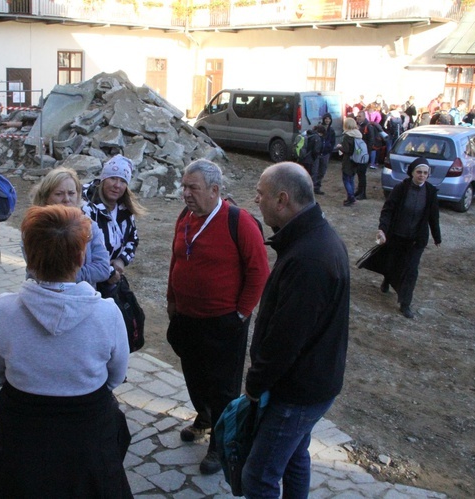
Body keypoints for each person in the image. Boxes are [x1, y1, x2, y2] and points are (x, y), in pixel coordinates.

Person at [0, 204, 131, 497]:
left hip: (21, 434)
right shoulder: (107, 314)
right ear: (81, 257)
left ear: (28, 256)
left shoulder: (4, 309)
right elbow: (115, 377)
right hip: (87, 437)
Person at [242, 162, 349, 499]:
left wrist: (255, 385)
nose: (255, 200)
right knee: (294, 457)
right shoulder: (313, 239)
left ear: (282, 200)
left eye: (260, 195)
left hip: (297, 391)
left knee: (258, 477)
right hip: (311, 383)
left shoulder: (310, 259)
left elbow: (285, 339)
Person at [166, 159, 269, 474]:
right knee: (195, 377)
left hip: (224, 323)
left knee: (223, 386)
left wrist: (240, 313)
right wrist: (172, 300)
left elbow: (259, 272)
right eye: (184, 187)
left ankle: (219, 445)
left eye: (192, 188)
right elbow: (175, 259)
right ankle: (204, 417)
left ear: (214, 190)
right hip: (187, 318)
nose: (185, 193)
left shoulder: (239, 222)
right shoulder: (185, 217)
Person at [374, 157, 441, 318]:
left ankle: (405, 303)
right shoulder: (401, 189)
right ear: (412, 173)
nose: (422, 175)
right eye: (419, 172)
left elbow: (433, 216)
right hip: (397, 235)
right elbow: (388, 210)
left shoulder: (430, 192)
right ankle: (388, 279)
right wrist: (383, 229)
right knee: (393, 263)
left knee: (411, 270)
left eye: (425, 173)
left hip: (416, 240)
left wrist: (436, 236)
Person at [29, 167, 110, 288]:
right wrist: (66, 275)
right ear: (46, 196)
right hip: (42, 296)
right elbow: (34, 271)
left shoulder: (90, 226)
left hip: (81, 298)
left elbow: (103, 269)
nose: (66, 199)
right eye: (59, 194)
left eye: (71, 193)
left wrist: (64, 275)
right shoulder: (35, 228)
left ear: (78, 195)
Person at [82, 154, 145, 297]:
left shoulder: (125, 210)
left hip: (112, 282)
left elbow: (133, 239)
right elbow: (86, 251)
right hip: (87, 284)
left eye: (123, 181)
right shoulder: (86, 208)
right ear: (103, 179)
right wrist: (109, 272)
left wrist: (122, 260)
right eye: (113, 178)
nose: (117, 185)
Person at [339, 117, 363, 206]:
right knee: (351, 179)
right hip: (356, 159)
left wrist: (339, 147)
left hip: (348, 160)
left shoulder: (347, 136)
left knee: (346, 179)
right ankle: (351, 197)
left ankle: (351, 197)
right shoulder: (358, 135)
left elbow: (346, 150)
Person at [313, 115, 335, 195]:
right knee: (314, 171)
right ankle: (312, 187)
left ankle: (317, 187)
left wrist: (330, 149)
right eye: (326, 119)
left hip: (325, 153)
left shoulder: (331, 130)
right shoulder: (319, 128)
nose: (327, 120)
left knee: (322, 171)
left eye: (329, 119)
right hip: (318, 153)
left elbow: (333, 141)